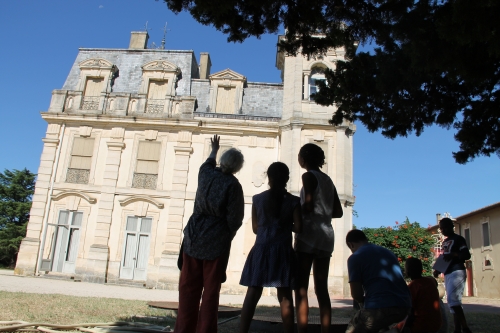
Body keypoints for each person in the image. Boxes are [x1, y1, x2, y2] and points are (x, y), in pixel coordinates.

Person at [174, 135, 245, 333]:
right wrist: (226, 235)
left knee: (188, 289)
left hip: (194, 237)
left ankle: (183, 330)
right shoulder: (233, 186)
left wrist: (214, 148)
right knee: (210, 293)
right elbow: (235, 220)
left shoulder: (205, 173)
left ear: (222, 161)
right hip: (216, 242)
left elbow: (209, 160)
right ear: (238, 168)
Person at [239, 162, 302, 333]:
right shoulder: (294, 201)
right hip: (283, 250)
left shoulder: (257, 199)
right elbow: (299, 227)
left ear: (269, 177)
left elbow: (255, 228)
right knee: (285, 295)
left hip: (261, 249)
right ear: (287, 178)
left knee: (253, 292)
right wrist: (285, 223)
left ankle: (242, 331)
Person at [294, 143, 343, 333]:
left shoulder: (308, 176)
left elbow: (307, 205)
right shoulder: (328, 180)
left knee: (301, 287)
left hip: (309, 233)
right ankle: (325, 330)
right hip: (326, 235)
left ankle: (303, 330)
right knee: (322, 288)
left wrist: (295, 211)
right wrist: (324, 212)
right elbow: (337, 211)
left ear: (304, 158)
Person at [345, 229, 411, 333]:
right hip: (404, 305)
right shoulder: (388, 252)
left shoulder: (355, 258)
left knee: (354, 327)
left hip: (378, 307)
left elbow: (356, 294)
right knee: (380, 323)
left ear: (350, 245)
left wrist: (363, 303)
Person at [433, 217, 472, 333]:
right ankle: (457, 329)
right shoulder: (445, 242)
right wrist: (439, 269)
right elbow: (445, 258)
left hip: (457, 271)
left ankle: (465, 328)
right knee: (453, 303)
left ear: (451, 227)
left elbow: (466, 254)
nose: (443, 230)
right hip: (448, 273)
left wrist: (455, 255)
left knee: (452, 300)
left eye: (445, 227)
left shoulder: (459, 239)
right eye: (441, 228)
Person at [403, 257, 442, 333]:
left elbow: (410, 312)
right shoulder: (430, 282)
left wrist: (405, 326)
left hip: (421, 326)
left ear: (408, 272)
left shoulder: (412, 287)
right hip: (437, 323)